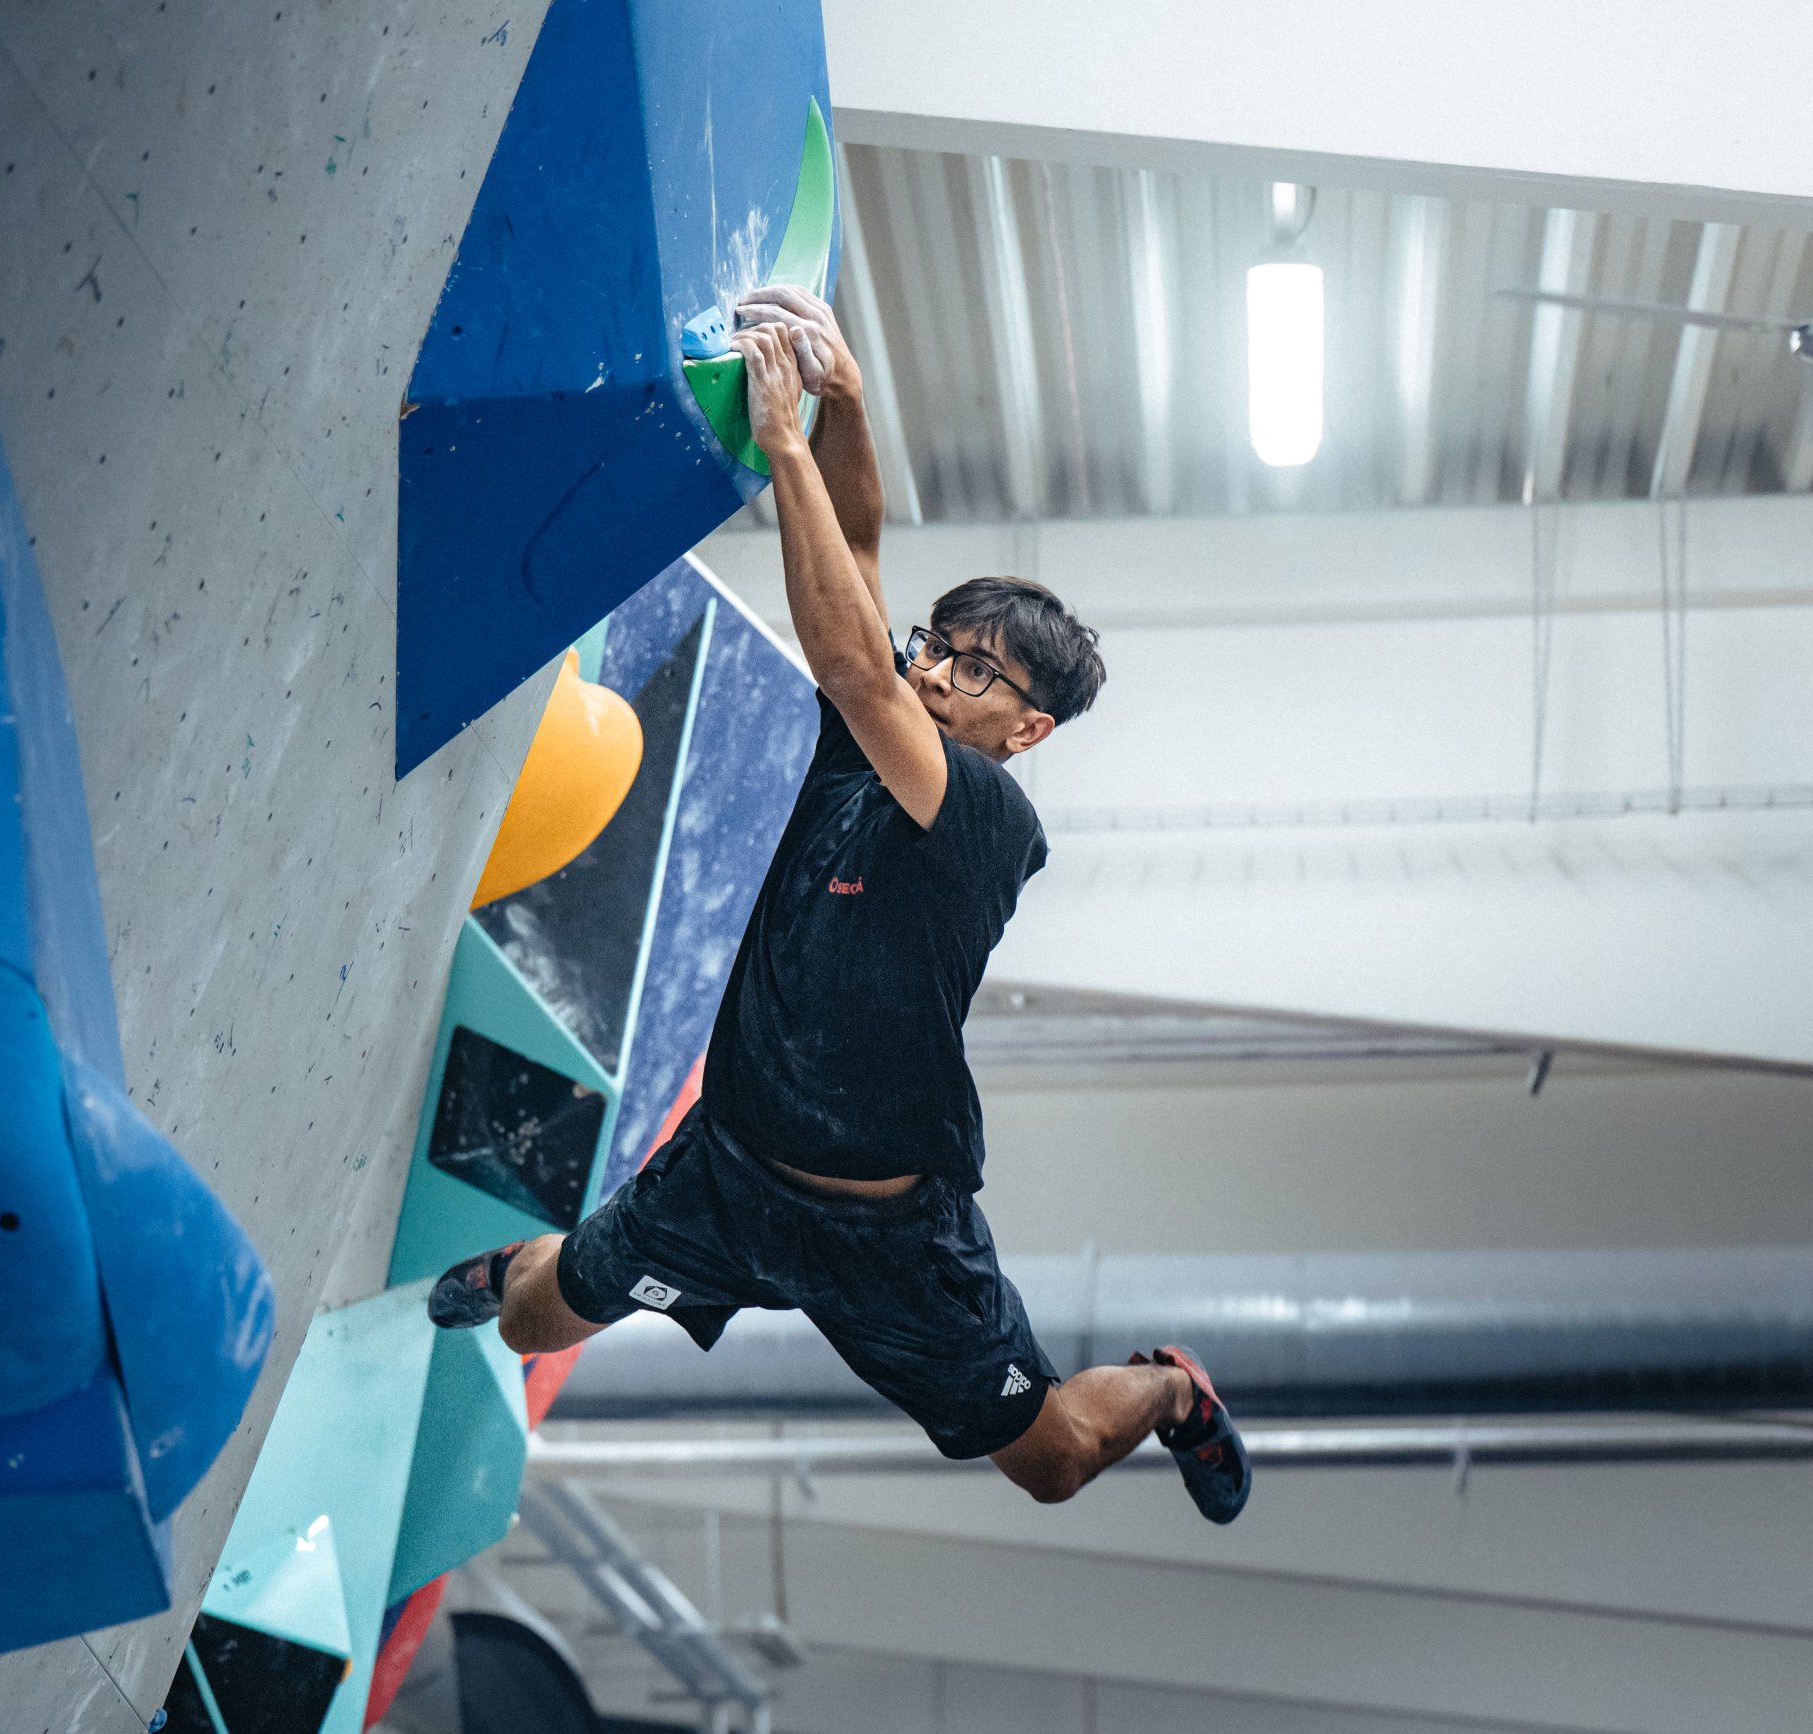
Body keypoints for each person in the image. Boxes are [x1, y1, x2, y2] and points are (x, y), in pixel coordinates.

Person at [430, 286, 1249, 1523]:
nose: (933, 669)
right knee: (530, 1321)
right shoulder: (873, 739)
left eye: (972, 671)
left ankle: (1171, 1395)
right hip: (723, 1177)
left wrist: (783, 442)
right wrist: (850, 406)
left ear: (1023, 728)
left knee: (1050, 1464)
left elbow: (855, 661)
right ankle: (517, 1266)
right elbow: (858, 560)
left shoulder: (983, 820)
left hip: (886, 1241)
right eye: (937, 644)